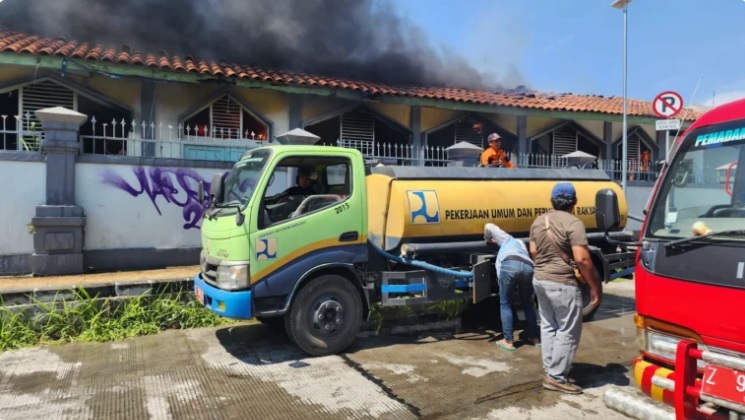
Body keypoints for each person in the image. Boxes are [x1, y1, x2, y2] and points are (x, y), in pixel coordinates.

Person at [528, 182, 600, 394]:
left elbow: (533, 251)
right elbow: (583, 260)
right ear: (575, 202)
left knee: (549, 326)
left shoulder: (539, 221)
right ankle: (557, 377)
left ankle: (551, 371)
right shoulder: (574, 223)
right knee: (568, 330)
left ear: (551, 201)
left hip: (540, 280)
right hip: (562, 283)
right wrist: (594, 286)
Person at [484, 223, 540, 352]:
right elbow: (521, 265)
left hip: (509, 264)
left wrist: (487, 238)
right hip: (528, 266)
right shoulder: (521, 247)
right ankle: (535, 338)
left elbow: (489, 226)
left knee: (505, 303)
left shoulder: (507, 239)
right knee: (528, 303)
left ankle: (508, 341)